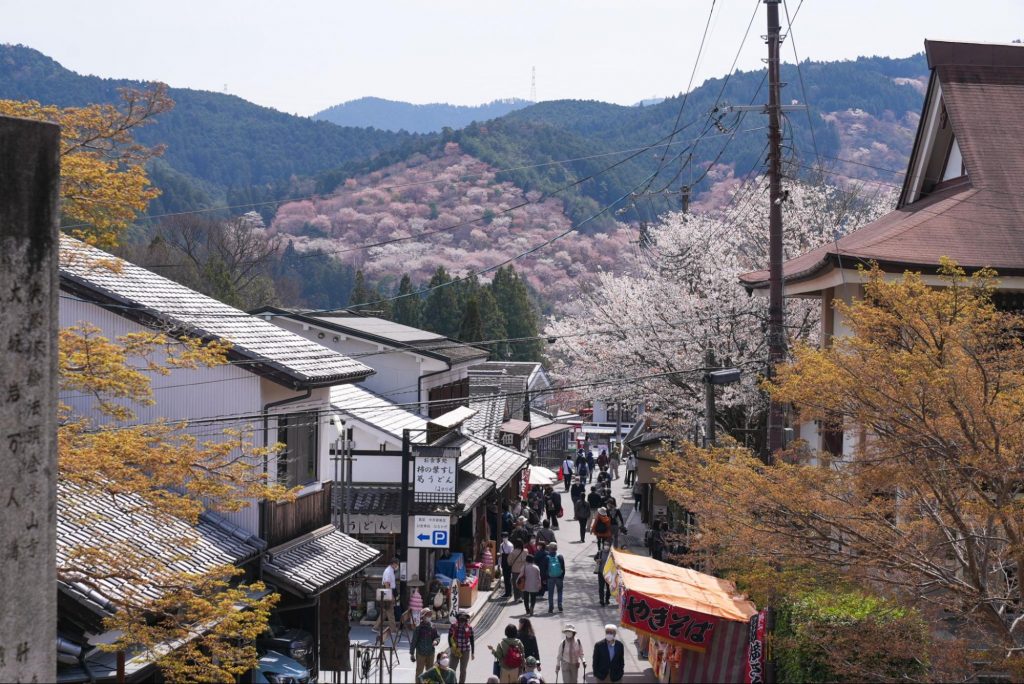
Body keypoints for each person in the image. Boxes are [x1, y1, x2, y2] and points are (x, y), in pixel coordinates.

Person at [410, 609, 440, 678]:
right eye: (427, 615)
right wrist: (412, 653)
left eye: (430, 615)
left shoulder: (433, 626)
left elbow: (437, 637)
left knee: (430, 672)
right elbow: (414, 641)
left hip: (430, 653)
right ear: (423, 617)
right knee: (419, 672)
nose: (429, 616)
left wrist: (436, 641)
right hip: (420, 653)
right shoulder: (418, 628)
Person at [447, 610, 475, 684]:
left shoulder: (469, 627)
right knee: (452, 669)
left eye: (464, 617)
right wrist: (451, 648)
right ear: (458, 618)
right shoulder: (453, 626)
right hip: (455, 650)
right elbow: (449, 637)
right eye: (461, 617)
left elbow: (472, 639)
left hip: (466, 650)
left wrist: (472, 652)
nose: (463, 619)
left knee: (463, 670)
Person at [375, 557, 400, 638]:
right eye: (397, 564)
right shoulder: (388, 571)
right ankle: (393, 630)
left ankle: (375, 627)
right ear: (393, 564)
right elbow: (386, 583)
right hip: (388, 592)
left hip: (388, 592)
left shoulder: (391, 570)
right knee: (390, 612)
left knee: (385, 612)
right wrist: (390, 595)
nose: (397, 566)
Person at [544, 542, 566, 613]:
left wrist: (545, 578)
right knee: (559, 592)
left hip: (550, 577)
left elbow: (545, 569)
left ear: (550, 548)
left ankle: (551, 607)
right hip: (559, 577)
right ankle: (560, 606)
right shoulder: (560, 556)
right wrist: (562, 577)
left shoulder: (547, 557)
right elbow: (563, 567)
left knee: (550, 593)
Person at [500, 532, 514, 598]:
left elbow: (511, 555)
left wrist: (511, 564)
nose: (504, 538)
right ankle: (508, 592)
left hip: (508, 563)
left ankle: (509, 592)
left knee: (508, 578)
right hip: (504, 562)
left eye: (505, 537)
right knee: (506, 578)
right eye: (503, 537)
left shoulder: (510, 545)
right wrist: (499, 563)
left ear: (508, 537)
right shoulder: (501, 545)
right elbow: (500, 555)